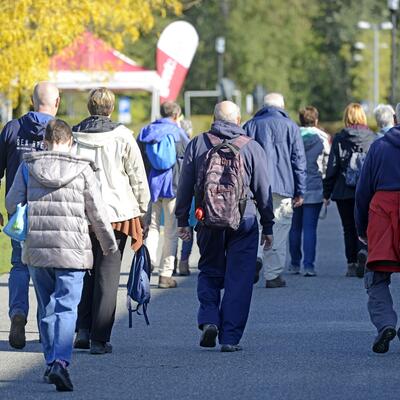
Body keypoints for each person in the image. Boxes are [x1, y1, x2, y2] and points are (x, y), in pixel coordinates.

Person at [5, 119, 118, 391]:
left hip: (37, 247)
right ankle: (60, 363)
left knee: (46, 307)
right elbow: (98, 213)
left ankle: (48, 361)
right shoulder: (83, 169)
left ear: (45, 141)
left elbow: (11, 202)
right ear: (70, 142)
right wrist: (109, 245)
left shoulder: (28, 166)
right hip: (73, 248)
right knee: (66, 307)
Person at [176, 101, 274, 352]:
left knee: (209, 270)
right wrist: (268, 223)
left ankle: (209, 319)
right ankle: (230, 338)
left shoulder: (198, 144)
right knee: (239, 279)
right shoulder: (251, 147)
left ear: (213, 118)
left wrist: (182, 221)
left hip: (208, 218)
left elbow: (185, 184)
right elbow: (264, 190)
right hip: (244, 220)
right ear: (239, 119)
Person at [72, 88, 150, 354]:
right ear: (111, 108)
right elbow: (137, 175)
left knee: (83, 271)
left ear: (89, 107)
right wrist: (142, 208)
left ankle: (82, 328)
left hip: (80, 212)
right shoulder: (123, 136)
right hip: (115, 213)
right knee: (107, 274)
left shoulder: (73, 135)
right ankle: (99, 338)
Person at [0, 81, 60, 349]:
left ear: (32, 101)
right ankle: (47, 330)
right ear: (56, 103)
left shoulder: (12, 129)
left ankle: (17, 313)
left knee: (19, 265)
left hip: (19, 213)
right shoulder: (61, 132)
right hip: (53, 212)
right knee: (51, 271)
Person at [243, 92, 306, 288]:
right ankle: (273, 275)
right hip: (283, 185)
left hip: (255, 186)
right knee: (279, 228)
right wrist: (300, 189)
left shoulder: (251, 125)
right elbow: (298, 160)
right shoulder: (291, 126)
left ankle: (257, 256)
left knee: (257, 226)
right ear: (282, 106)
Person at [355, 103, 400, 354]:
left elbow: (363, 191)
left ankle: (385, 324)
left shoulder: (379, 146)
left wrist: (361, 227)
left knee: (377, 275)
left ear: (395, 118)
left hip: (383, 213)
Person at [138, 102, 187, 288]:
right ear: (176, 115)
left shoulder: (145, 132)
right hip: (173, 187)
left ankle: (149, 259)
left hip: (150, 187)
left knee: (151, 227)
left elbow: (138, 159)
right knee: (171, 231)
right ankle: (165, 275)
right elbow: (188, 159)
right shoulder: (178, 133)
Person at [323, 103, 376, 277]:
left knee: (348, 227)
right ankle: (364, 251)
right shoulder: (372, 138)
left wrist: (327, 192)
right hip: (366, 190)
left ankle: (351, 264)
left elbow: (333, 166)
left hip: (343, 190)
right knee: (365, 225)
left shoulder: (340, 138)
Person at [288, 106, 330, 277]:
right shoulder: (322, 137)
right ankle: (308, 266)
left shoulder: (293, 135)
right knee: (310, 228)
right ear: (316, 120)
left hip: (294, 186)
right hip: (314, 185)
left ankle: (294, 263)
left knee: (295, 227)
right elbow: (327, 161)